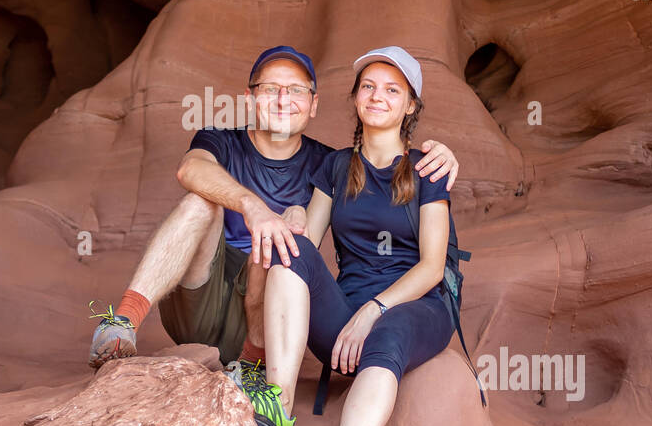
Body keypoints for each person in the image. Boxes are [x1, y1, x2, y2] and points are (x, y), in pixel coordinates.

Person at [87, 45, 459, 385]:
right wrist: (253, 207)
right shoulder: (222, 140)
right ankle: (121, 323)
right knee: (200, 202)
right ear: (252, 97)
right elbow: (190, 171)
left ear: (314, 104)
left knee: (287, 236)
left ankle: (252, 366)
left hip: (266, 314)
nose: (284, 99)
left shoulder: (330, 164)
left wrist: (439, 154)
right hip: (200, 297)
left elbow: (379, 172)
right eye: (271, 89)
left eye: (296, 90)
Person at [249, 46, 455, 426]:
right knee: (289, 248)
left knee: (390, 335)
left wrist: (373, 310)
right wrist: (293, 217)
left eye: (392, 90)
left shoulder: (429, 169)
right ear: (356, 99)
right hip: (348, 309)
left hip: (416, 304)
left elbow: (432, 266)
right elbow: (308, 244)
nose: (377, 96)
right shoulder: (338, 167)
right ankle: (276, 407)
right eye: (368, 87)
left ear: (410, 106)